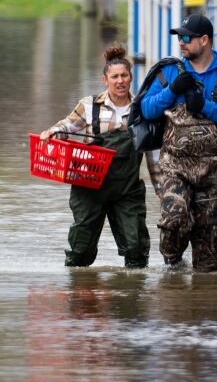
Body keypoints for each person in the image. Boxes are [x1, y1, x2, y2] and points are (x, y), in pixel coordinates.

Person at [140, 14, 217, 271]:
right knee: (173, 219)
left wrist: (206, 106)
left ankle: (203, 300)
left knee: (209, 252)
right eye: (179, 37)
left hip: (215, 174)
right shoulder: (169, 72)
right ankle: (174, 266)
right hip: (175, 167)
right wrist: (172, 91)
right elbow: (146, 110)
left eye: (186, 38)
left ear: (204, 40)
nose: (181, 43)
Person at [40, 44, 150, 269]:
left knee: (136, 248)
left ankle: (134, 296)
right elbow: (67, 126)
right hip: (89, 187)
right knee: (81, 251)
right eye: (114, 76)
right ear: (105, 79)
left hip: (127, 190)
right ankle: (78, 291)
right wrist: (51, 132)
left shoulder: (143, 109)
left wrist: (162, 189)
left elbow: (153, 153)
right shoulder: (90, 105)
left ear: (131, 78)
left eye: (124, 76)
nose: (120, 81)